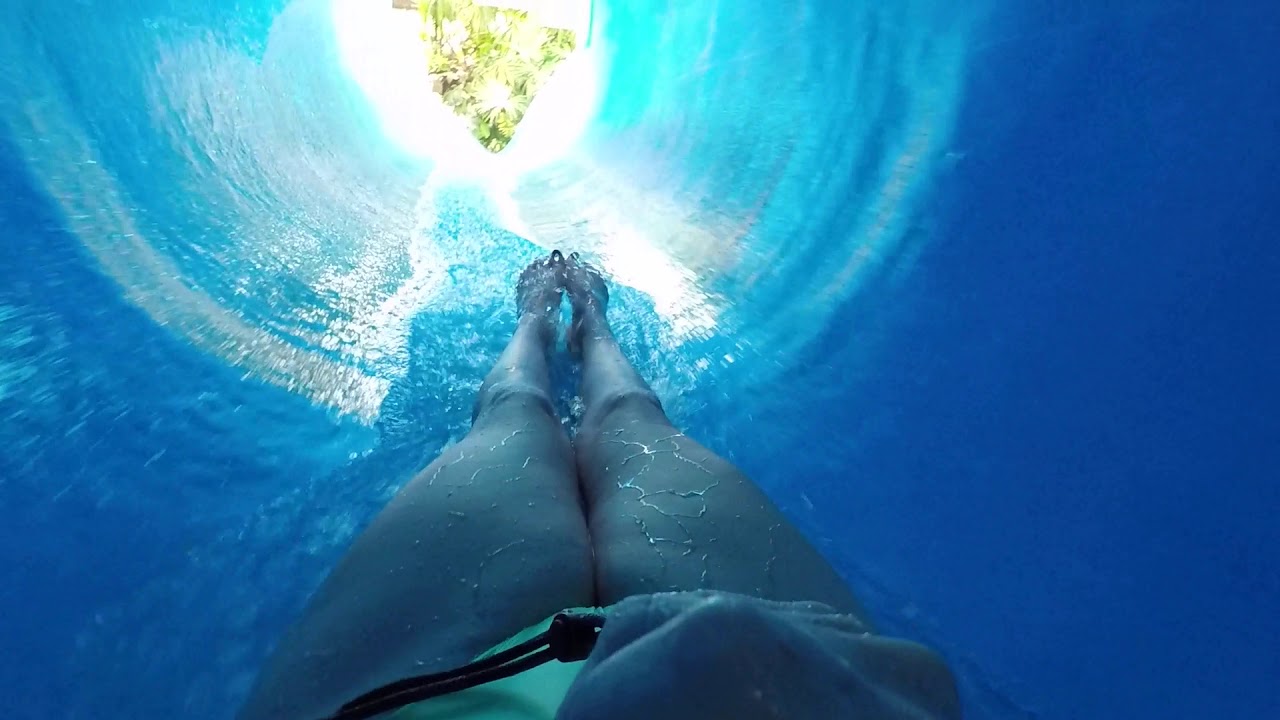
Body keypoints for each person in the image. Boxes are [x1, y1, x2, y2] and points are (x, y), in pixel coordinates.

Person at [239, 251, 960, 720]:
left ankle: (536, 323)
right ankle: (591, 327)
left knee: (515, 417)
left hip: (436, 692)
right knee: (631, 421)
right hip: (772, 676)